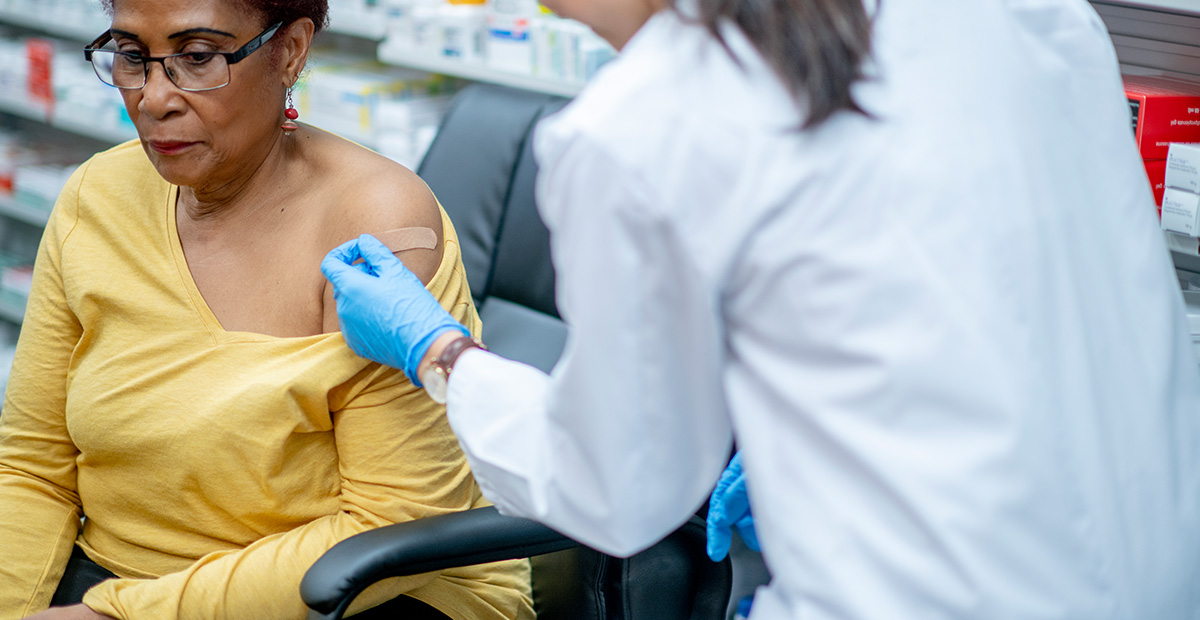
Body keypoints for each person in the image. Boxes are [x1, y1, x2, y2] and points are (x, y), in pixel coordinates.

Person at [323, 0, 1200, 617]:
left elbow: (613, 491)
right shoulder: (1032, 16)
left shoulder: (647, 123)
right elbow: (1000, 294)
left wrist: (440, 351)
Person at [0, 0, 533, 619]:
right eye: (132, 56)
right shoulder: (96, 195)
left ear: (291, 50)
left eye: (198, 56)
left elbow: (392, 518)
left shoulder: (376, 226)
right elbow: (32, 466)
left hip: (361, 593)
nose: (153, 98)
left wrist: (116, 615)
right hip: (115, 580)